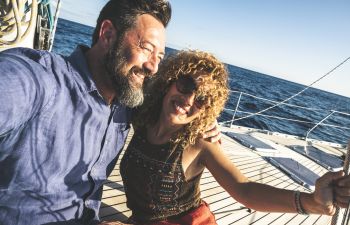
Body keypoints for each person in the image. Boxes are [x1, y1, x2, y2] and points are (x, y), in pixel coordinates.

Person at [120, 50, 350, 225]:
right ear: (170, 81)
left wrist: (312, 202)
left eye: (202, 98)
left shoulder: (200, 144)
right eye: (186, 85)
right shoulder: (141, 117)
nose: (189, 99)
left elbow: (245, 190)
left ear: (208, 108)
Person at [0, 0, 172, 224]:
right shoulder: (38, 79)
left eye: (159, 58)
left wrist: (202, 116)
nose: (153, 67)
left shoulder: (125, 101)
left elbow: (173, 107)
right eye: (147, 49)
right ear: (108, 34)